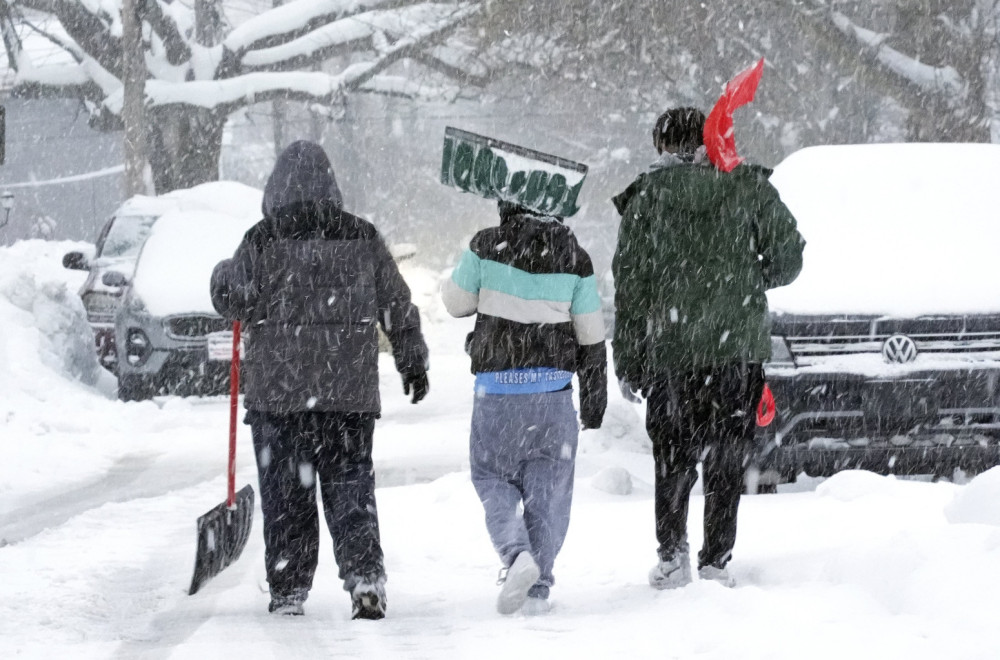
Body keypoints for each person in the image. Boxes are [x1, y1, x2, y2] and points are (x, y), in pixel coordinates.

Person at [210, 140, 429, 619]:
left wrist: (222, 276)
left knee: (287, 497)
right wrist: (412, 359)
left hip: (279, 400)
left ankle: (288, 588)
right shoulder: (361, 236)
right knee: (351, 488)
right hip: (346, 397)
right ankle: (365, 578)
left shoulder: (261, 239)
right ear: (331, 186)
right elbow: (396, 303)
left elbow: (234, 299)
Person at [611, 107, 804, 589]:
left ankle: (672, 554)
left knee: (672, 457)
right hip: (735, 350)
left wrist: (630, 358)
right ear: (708, 139)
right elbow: (788, 259)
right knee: (726, 455)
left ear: (660, 146)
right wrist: (750, 276)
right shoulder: (746, 185)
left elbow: (630, 287)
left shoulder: (646, 198)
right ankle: (716, 559)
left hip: (670, 353)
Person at [442, 200, 607, 615]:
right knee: (548, 493)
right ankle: (539, 586)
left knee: (492, 478)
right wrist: (594, 399)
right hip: (551, 398)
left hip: (496, 396)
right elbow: (591, 336)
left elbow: (456, 303)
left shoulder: (486, 245)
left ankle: (517, 555)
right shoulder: (575, 257)